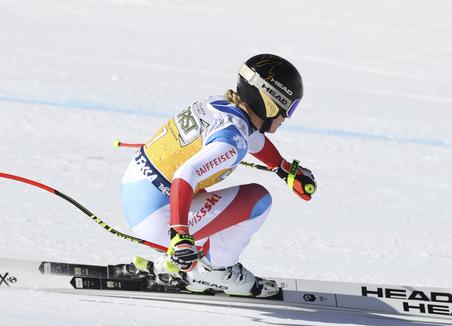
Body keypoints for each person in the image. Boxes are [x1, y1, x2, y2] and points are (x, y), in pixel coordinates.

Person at [120, 54, 316, 297]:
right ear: (270, 102)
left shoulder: (220, 105)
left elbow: (252, 138)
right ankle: (214, 271)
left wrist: (284, 168)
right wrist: (180, 235)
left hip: (137, 191)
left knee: (219, 208)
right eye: (289, 107)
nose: (286, 117)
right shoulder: (232, 144)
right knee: (258, 201)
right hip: (154, 216)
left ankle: (184, 260)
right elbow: (186, 174)